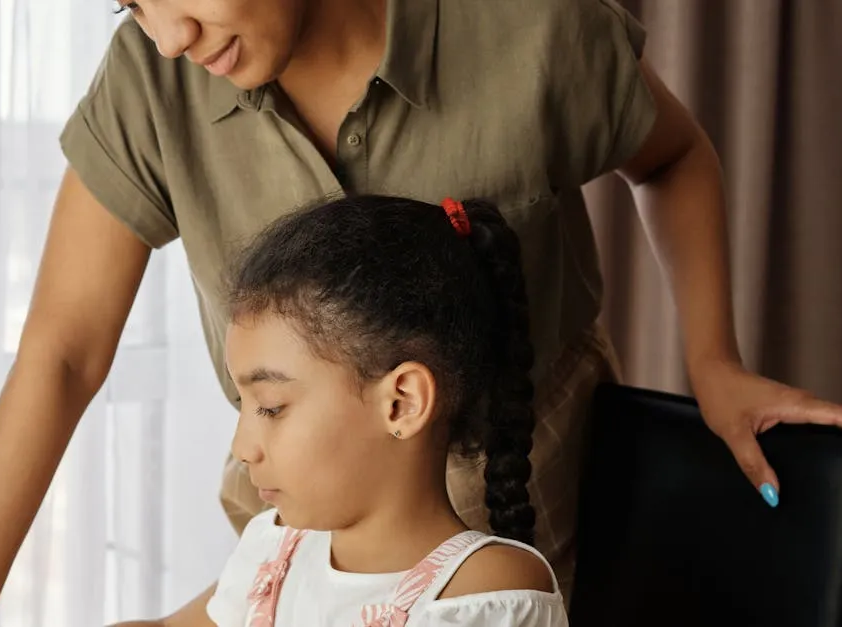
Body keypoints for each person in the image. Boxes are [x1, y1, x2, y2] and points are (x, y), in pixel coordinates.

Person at [0, 0, 842, 624]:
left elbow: (668, 154)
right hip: (317, 526)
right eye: (132, 1)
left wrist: (714, 359)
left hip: (544, 493)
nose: (168, 34)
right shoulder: (278, 550)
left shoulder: (524, 24)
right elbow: (60, 354)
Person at [120, 194, 567, 627]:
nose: (242, 448)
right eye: (244, 404)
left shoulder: (483, 594)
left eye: (271, 408)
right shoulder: (276, 551)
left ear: (401, 403)